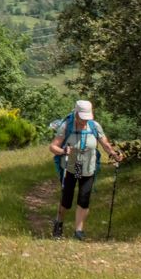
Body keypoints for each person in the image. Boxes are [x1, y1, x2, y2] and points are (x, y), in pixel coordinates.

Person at [50, 98, 124, 240]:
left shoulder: (95, 126)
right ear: (76, 114)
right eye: (82, 118)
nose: (84, 121)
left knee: (84, 198)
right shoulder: (67, 126)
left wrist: (114, 154)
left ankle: (78, 230)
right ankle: (58, 224)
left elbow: (105, 144)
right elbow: (53, 147)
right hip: (72, 167)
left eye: (86, 118)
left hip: (88, 167)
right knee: (67, 198)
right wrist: (63, 151)